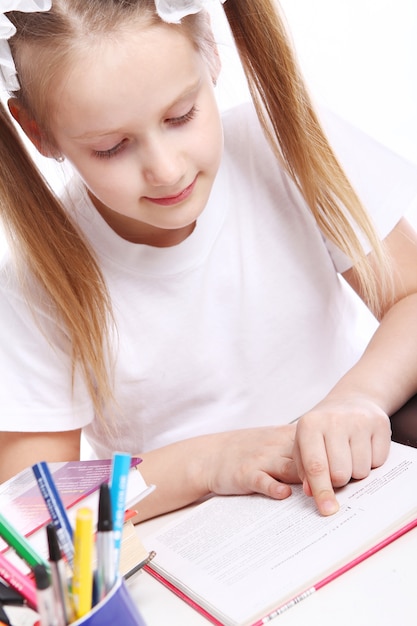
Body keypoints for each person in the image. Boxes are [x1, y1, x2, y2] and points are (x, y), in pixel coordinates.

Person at [1, 0, 417, 521]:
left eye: (181, 117)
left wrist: (358, 398)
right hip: (195, 541)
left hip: (364, 479)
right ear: (38, 132)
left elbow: (411, 297)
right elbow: (33, 507)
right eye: (111, 148)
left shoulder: (282, 147)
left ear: (210, 58)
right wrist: (208, 461)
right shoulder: (37, 282)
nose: (166, 170)